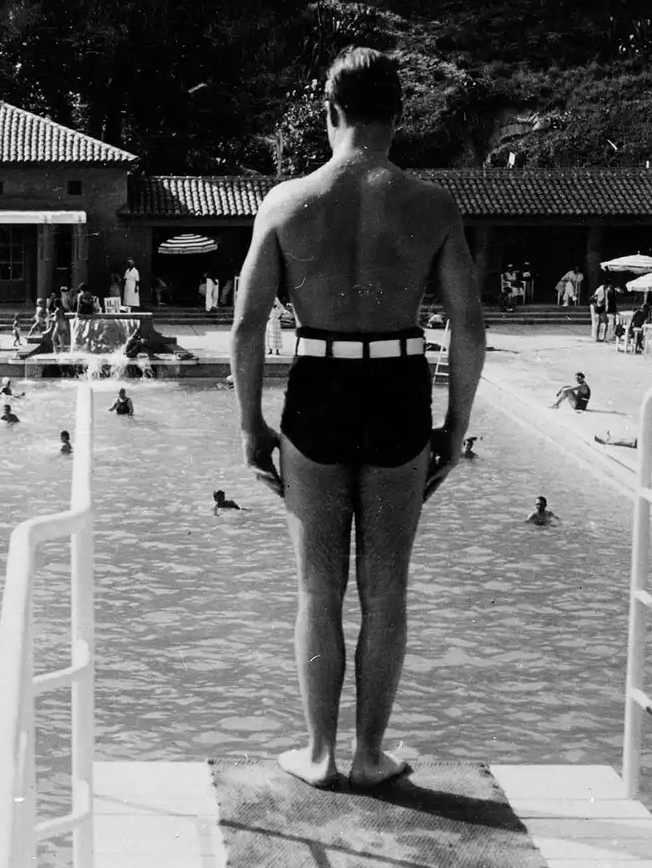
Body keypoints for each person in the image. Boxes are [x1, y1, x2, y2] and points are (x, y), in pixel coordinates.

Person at [228, 48, 485, 792]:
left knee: (318, 586)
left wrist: (251, 424)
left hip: (319, 387)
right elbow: (468, 327)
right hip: (399, 387)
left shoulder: (284, 203)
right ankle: (371, 756)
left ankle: (319, 755)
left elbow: (246, 327)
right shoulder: (432, 206)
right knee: (386, 586)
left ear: (328, 113)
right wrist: (455, 425)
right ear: (398, 117)